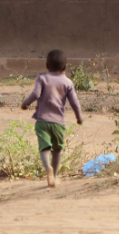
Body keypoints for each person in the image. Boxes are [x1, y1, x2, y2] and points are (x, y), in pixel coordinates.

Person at [21, 49, 83, 188]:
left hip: (42, 121)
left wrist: (25, 103)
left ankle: (47, 167)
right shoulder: (67, 82)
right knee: (57, 150)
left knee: (44, 148)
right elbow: (74, 102)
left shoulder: (42, 78)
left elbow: (35, 93)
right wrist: (79, 117)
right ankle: (54, 176)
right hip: (58, 123)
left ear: (47, 65)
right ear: (65, 67)